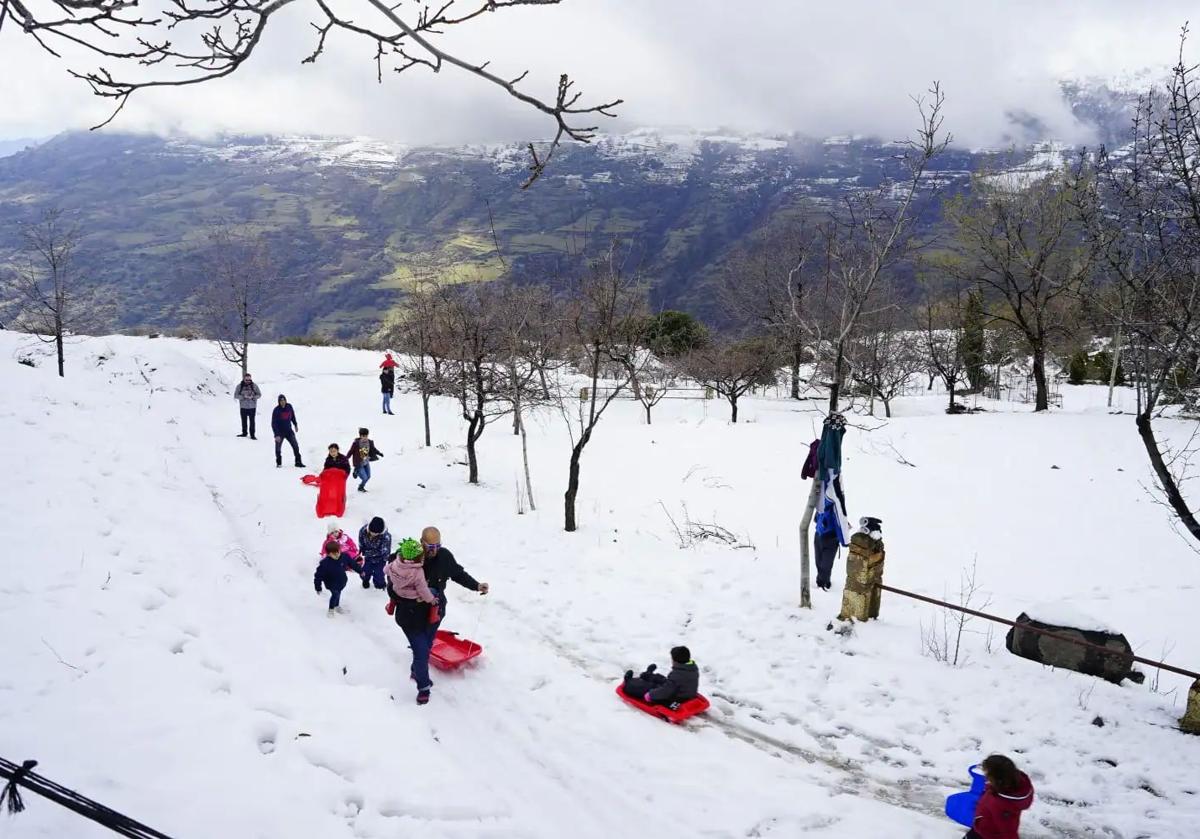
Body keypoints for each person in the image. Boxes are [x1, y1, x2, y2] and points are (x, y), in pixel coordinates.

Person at [385, 538, 441, 705]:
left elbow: (385, 570)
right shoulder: (417, 572)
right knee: (421, 653)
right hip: (412, 616)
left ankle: (417, 671)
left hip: (403, 614)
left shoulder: (395, 564)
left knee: (422, 647)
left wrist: (398, 588)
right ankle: (423, 687)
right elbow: (423, 591)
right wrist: (432, 600)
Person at [419, 526, 488, 643]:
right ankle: (421, 646)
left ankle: (425, 645)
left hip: (436, 603)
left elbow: (458, 574)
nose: (434, 550)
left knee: (431, 627)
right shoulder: (414, 555)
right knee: (419, 628)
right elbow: (396, 568)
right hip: (417, 601)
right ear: (422, 542)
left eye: (437, 546)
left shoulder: (444, 556)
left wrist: (477, 586)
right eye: (431, 546)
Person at [966, 754, 1034, 839]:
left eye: (987, 775)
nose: (985, 777)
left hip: (988, 834)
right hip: (984, 824)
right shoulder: (1013, 781)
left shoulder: (1001, 805)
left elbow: (1008, 831)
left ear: (997, 779)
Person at [622, 646, 699, 706]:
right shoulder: (692, 668)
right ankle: (648, 674)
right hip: (682, 692)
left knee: (647, 687)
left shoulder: (677, 675)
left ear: (675, 661)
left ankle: (629, 683)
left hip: (674, 698)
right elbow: (672, 683)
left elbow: (665, 691)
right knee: (661, 679)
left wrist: (650, 695)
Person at [314, 540, 361, 617]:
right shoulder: (325, 564)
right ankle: (331, 609)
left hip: (341, 581)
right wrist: (318, 588)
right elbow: (318, 576)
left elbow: (353, 564)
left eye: (338, 552)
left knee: (338, 593)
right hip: (331, 583)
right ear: (329, 554)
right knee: (335, 594)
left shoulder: (344, 557)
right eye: (334, 554)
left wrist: (360, 571)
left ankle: (336, 606)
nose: (337, 555)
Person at [357, 516, 392, 589]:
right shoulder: (363, 530)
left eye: (375, 533)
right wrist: (361, 550)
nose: (373, 534)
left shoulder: (386, 537)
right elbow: (361, 541)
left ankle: (379, 585)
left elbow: (384, 551)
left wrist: (368, 553)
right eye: (371, 532)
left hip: (380, 559)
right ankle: (365, 580)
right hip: (368, 558)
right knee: (365, 571)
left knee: (379, 574)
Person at [271, 395, 304, 468]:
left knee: (295, 446)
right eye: (281, 401)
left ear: (286, 400)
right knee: (278, 449)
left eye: (284, 400)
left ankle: (298, 462)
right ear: (279, 402)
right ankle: (279, 463)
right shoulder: (276, 410)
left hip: (289, 431)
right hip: (280, 433)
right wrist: (276, 435)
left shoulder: (289, 407)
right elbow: (273, 423)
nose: (283, 402)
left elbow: (292, 416)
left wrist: (295, 424)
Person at [348, 428, 383, 493]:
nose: (365, 437)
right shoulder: (356, 443)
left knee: (368, 476)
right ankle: (356, 471)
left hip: (366, 462)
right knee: (364, 478)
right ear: (360, 436)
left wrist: (379, 453)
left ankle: (361, 487)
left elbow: (373, 449)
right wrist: (346, 458)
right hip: (359, 463)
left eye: (366, 436)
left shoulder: (369, 442)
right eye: (363, 436)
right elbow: (351, 451)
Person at [233, 372, 262, 439]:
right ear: (244, 379)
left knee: (252, 421)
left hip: (252, 407)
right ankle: (244, 433)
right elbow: (235, 395)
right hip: (243, 407)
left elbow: (259, 394)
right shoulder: (239, 386)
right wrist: (243, 396)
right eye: (246, 380)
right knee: (244, 420)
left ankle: (252, 435)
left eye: (249, 380)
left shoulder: (254, 386)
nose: (248, 381)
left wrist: (253, 397)